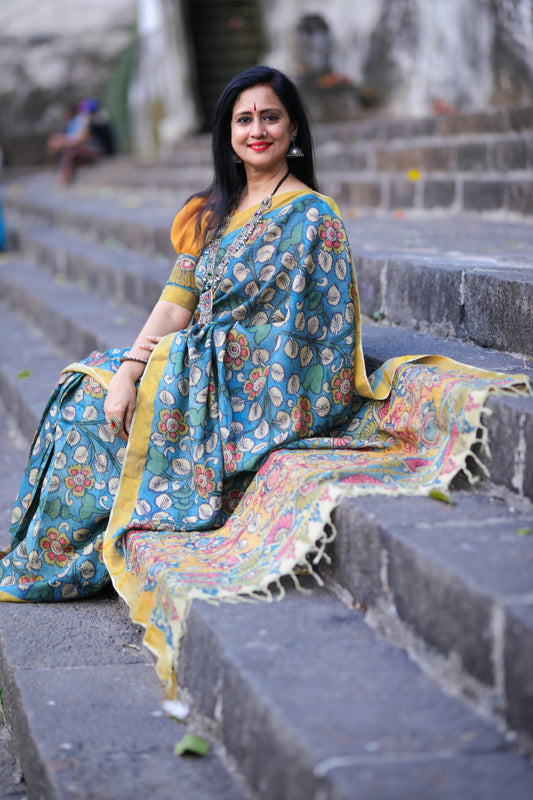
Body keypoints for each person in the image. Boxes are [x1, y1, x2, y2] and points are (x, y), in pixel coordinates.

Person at [0, 67, 527, 689]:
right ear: (227, 134)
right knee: (81, 392)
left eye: (270, 117)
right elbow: (175, 305)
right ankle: (39, 558)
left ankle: (66, 564)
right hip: (189, 367)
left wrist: (189, 371)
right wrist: (136, 367)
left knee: (94, 420)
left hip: (247, 395)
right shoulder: (211, 213)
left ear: (294, 129)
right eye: (243, 119)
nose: (257, 130)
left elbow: (314, 345)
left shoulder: (313, 219)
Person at [46, 99, 113, 184]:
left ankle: (65, 176)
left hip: (101, 152)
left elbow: (82, 138)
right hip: (96, 150)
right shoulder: (88, 120)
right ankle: (65, 174)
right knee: (69, 150)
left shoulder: (94, 121)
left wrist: (63, 142)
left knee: (71, 150)